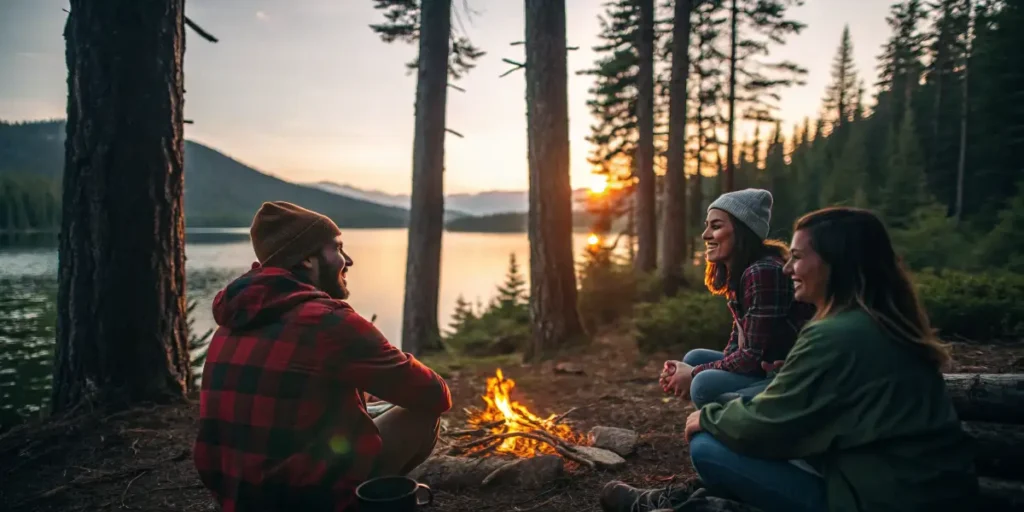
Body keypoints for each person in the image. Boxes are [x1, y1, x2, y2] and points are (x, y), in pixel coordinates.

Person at [603, 207, 978, 512]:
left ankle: (697, 504)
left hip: (873, 498)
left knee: (707, 447)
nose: (787, 268)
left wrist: (709, 416)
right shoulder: (882, 320)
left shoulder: (836, 332)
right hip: (909, 486)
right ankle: (698, 500)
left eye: (797, 258)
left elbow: (771, 425)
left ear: (835, 263)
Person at [193, 201, 452, 512]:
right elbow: (434, 394)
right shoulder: (326, 320)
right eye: (337, 249)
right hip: (302, 499)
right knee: (422, 413)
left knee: (371, 407)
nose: (349, 260)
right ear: (306, 259)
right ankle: (366, 499)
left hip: (236, 497)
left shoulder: (233, 319)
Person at [660, 189, 814, 408]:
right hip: (761, 367)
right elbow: (736, 346)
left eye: (716, 226)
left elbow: (752, 357)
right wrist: (683, 373)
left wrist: (693, 374)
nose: (705, 235)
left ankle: (728, 421)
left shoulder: (763, 271)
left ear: (742, 231)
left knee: (701, 383)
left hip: (782, 373)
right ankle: (725, 412)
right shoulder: (741, 271)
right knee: (694, 357)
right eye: (707, 225)